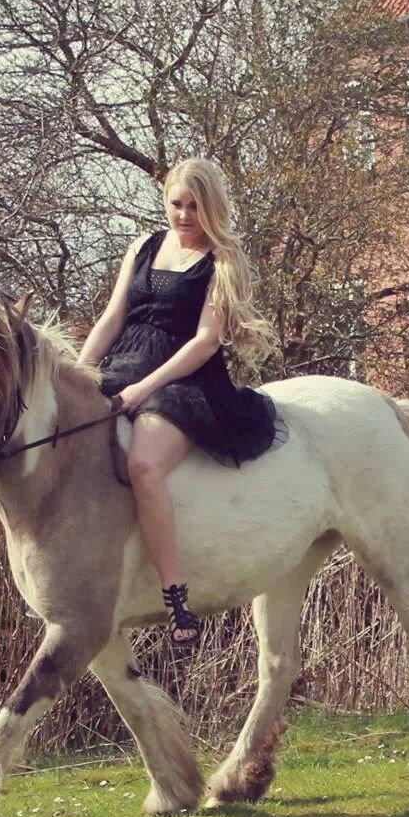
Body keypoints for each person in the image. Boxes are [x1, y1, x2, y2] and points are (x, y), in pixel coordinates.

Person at [77, 158, 286, 647]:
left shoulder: (221, 260)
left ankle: (176, 599)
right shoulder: (144, 246)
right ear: (165, 200)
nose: (184, 215)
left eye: (195, 206)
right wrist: (81, 373)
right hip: (124, 365)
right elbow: (112, 318)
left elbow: (205, 343)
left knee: (143, 466)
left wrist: (141, 390)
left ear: (210, 208)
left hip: (185, 380)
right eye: (176, 204)